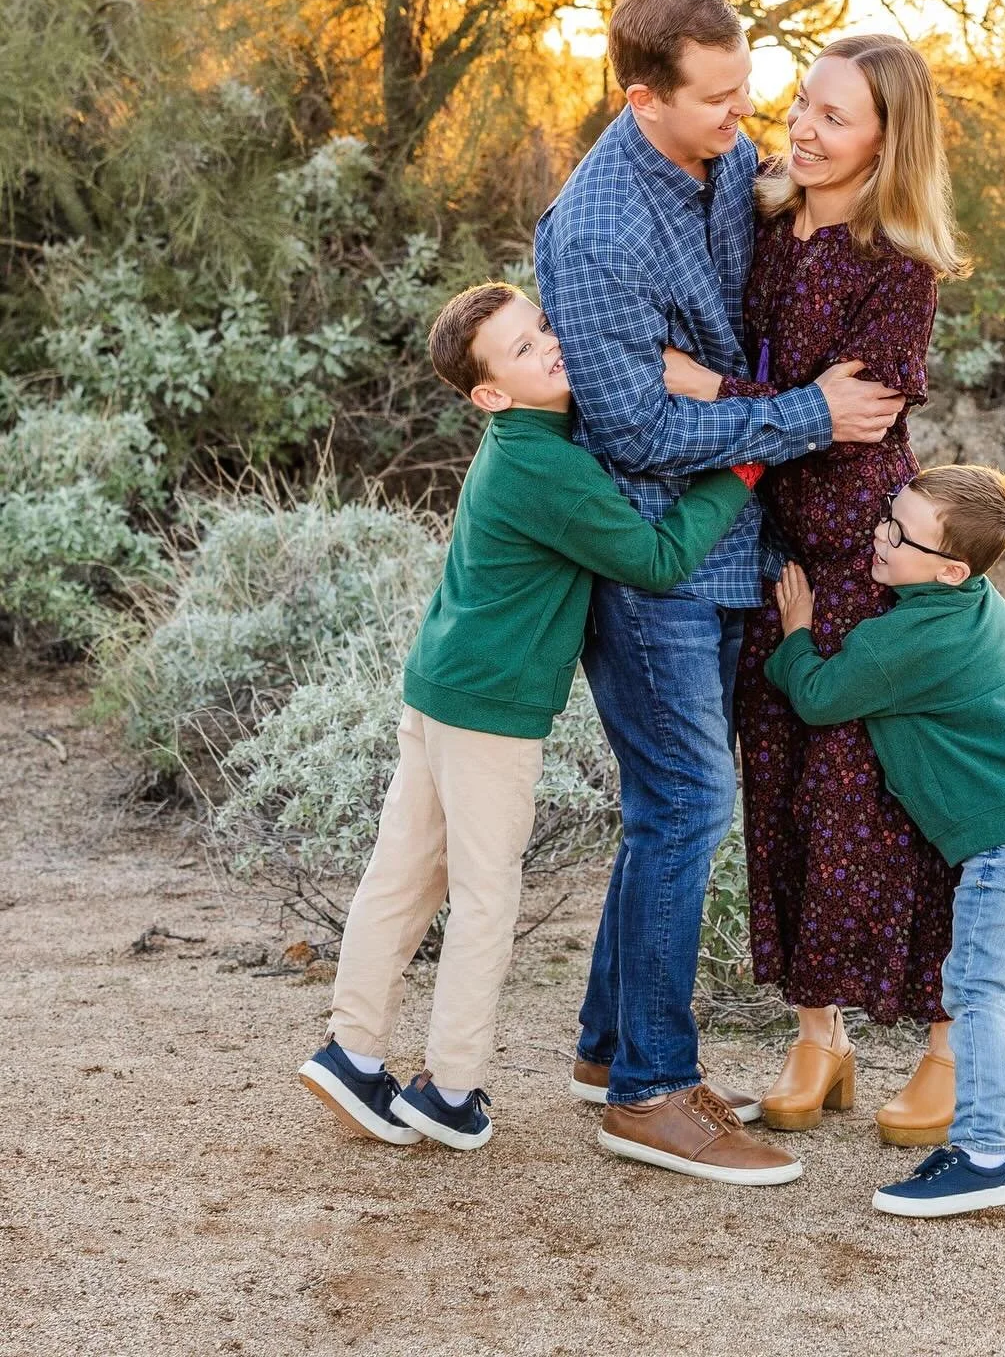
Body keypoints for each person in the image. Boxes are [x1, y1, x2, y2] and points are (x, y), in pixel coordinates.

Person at [533, 0, 903, 1186]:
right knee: (688, 801)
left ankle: (606, 1046)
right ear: (645, 98)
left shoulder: (721, 162)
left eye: (755, 88)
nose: (751, 115)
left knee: (671, 804)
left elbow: (753, 315)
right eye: (722, 97)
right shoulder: (594, 233)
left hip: (731, 540)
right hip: (649, 555)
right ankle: (649, 1089)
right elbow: (634, 425)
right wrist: (804, 414)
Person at [297, 281, 771, 1164]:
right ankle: (449, 1087)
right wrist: (740, 470)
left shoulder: (527, 440)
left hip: (441, 687)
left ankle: (352, 1049)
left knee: (404, 874)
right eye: (523, 350)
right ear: (490, 395)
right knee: (483, 895)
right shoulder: (544, 465)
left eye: (543, 326)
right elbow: (657, 558)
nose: (550, 346)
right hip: (489, 711)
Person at [663, 33, 965, 1143]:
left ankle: (944, 1042)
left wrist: (710, 387)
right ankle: (817, 1034)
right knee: (782, 796)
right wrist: (786, 398)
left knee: (884, 800)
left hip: (865, 562)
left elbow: (855, 425)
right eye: (803, 103)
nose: (803, 126)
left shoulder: (899, 271)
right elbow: (804, 410)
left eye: (836, 117)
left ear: (888, 139)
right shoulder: (753, 222)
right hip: (760, 557)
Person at [763, 464, 1005, 1217]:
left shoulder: (900, 641)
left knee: (974, 986)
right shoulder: (982, 603)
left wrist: (796, 634)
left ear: (949, 569)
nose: (878, 537)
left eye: (896, 534)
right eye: (888, 515)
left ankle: (983, 1154)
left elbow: (818, 698)